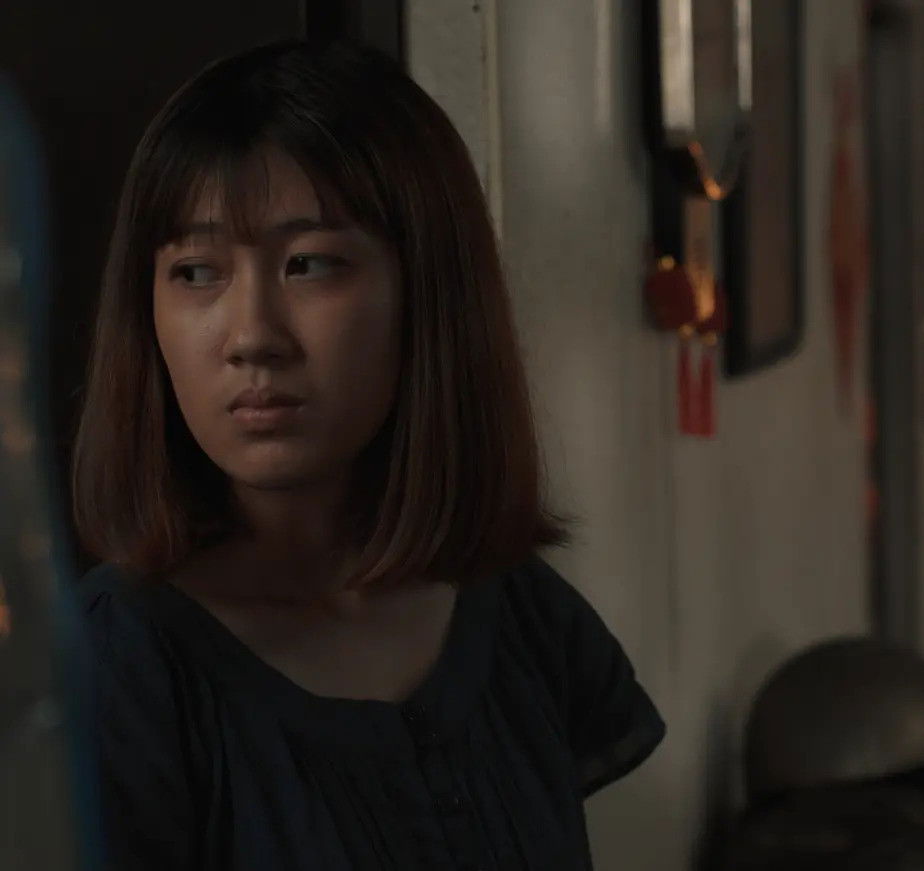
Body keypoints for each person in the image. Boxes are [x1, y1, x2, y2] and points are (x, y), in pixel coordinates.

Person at [70, 41, 664, 869]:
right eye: (197, 272)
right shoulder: (117, 667)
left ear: (428, 290)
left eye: (309, 264)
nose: (251, 336)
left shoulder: (519, 613)